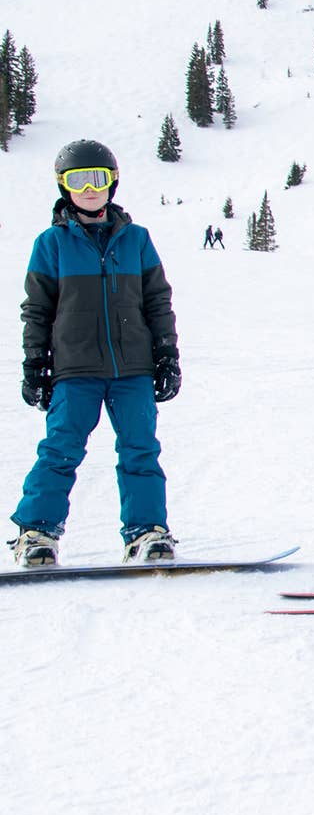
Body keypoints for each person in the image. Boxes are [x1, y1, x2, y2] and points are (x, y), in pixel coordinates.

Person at [9, 139, 181, 567]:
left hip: (133, 368)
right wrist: (36, 363)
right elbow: (37, 309)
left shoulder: (137, 240)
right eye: (78, 180)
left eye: (98, 179)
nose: (89, 188)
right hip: (75, 368)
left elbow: (158, 301)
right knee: (61, 449)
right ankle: (36, 532)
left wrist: (166, 354)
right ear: (64, 186)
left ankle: (146, 531)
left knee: (140, 448)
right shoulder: (52, 244)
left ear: (112, 184)